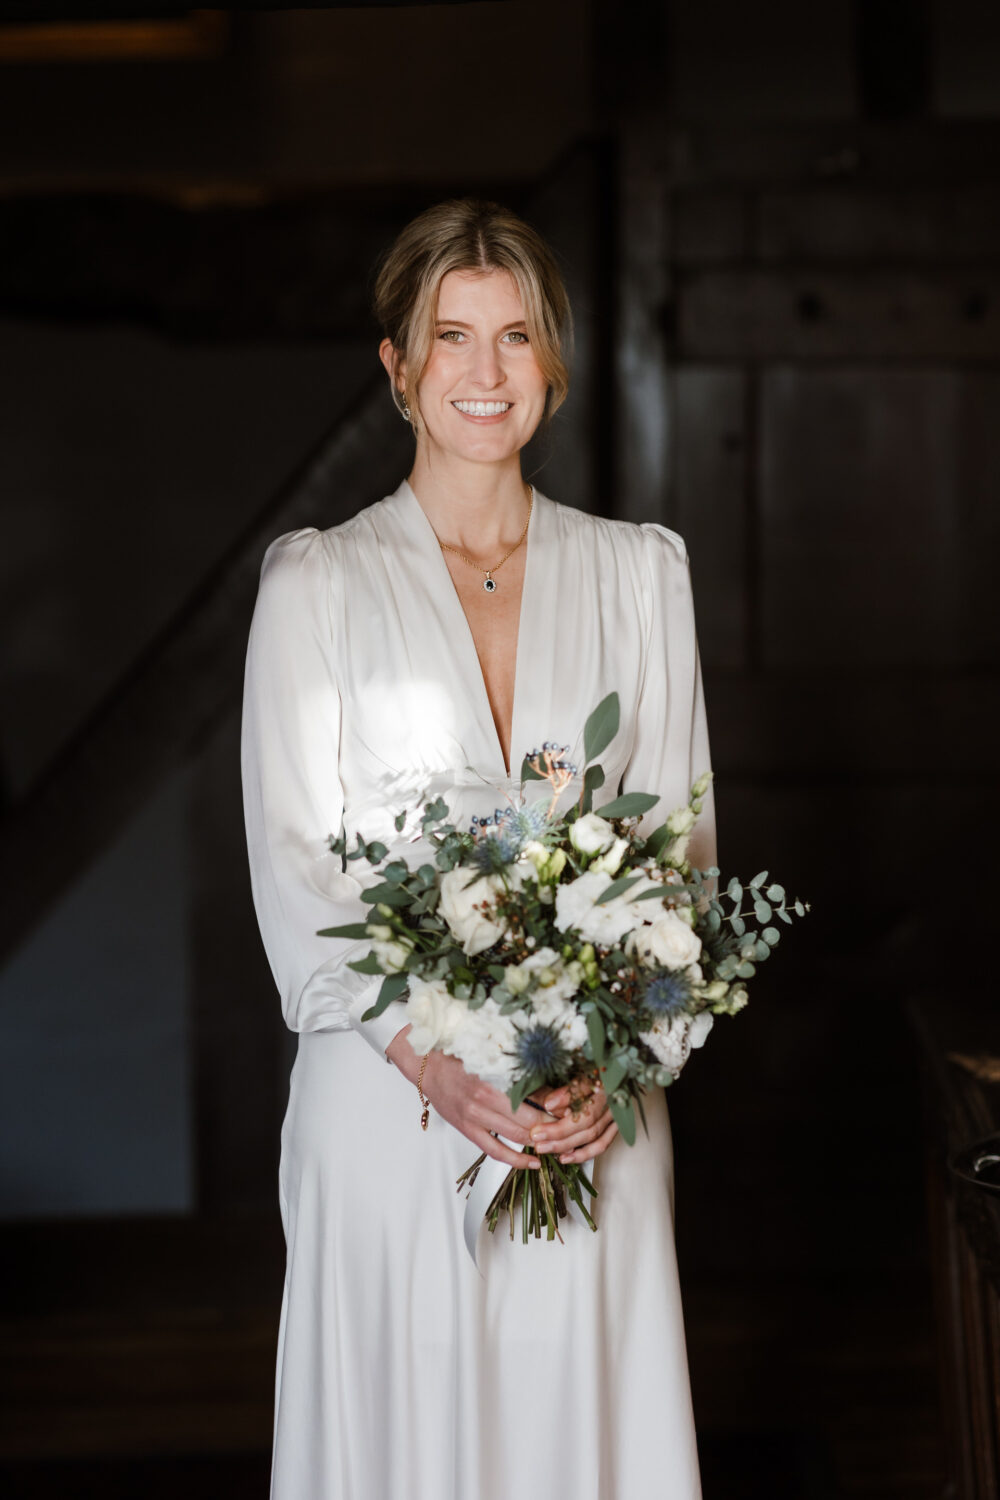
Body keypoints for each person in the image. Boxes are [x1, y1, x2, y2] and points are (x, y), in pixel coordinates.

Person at [241, 197, 715, 1500]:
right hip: (393, 1106)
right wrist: (434, 1065)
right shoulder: (316, 586)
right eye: (452, 337)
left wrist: (619, 1060)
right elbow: (294, 864)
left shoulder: (638, 577)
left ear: (555, 364)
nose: (486, 373)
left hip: (587, 1113)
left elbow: (680, 850)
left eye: (516, 338)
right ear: (395, 366)